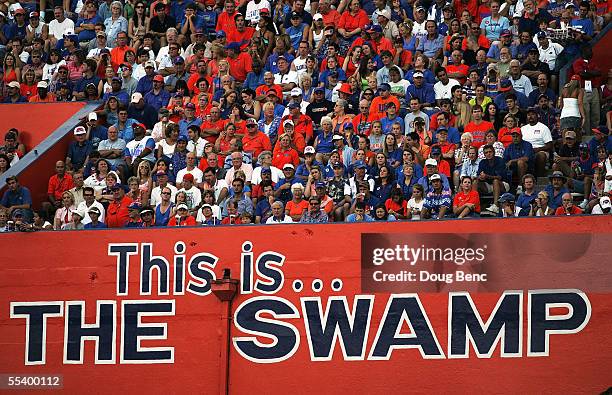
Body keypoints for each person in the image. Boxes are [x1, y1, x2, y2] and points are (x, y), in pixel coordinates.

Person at [477, 144, 510, 214]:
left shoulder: (500, 160)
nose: (488, 154)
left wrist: (486, 176)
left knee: (495, 181)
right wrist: (480, 177)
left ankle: (495, 206)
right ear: (484, 154)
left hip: (503, 184)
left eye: (490, 152)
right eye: (486, 153)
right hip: (489, 185)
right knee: (475, 182)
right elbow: (479, 175)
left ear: (494, 152)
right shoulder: (482, 162)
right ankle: (475, 205)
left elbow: (499, 177)